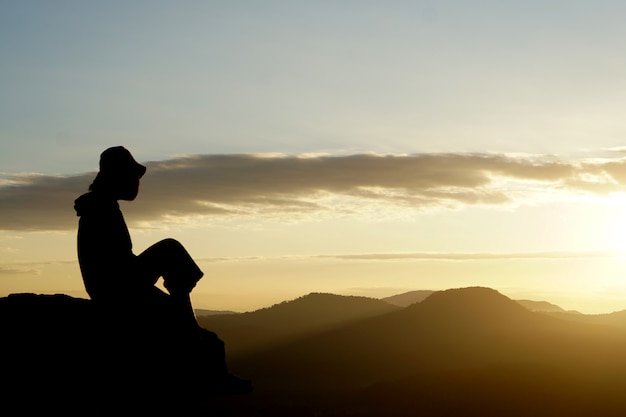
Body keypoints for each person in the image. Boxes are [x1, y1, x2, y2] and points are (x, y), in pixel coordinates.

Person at [74, 146, 252, 394]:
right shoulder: (100, 208)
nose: (137, 182)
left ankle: (196, 342)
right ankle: (189, 329)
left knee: (206, 338)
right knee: (170, 249)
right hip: (115, 287)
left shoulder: (101, 206)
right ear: (118, 175)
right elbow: (110, 265)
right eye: (133, 175)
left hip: (117, 284)